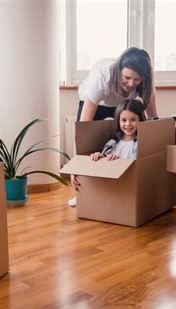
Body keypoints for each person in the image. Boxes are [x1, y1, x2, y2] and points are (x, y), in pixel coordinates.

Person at [68, 47, 157, 207]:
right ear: (119, 70)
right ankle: (83, 193)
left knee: (119, 143)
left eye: (137, 80)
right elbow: (83, 130)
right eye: (127, 78)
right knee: (92, 145)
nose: (131, 84)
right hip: (96, 103)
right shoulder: (102, 77)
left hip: (120, 105)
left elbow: (153, 121)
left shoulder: (146, 85)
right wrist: (76, 165)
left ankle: (119, 190)